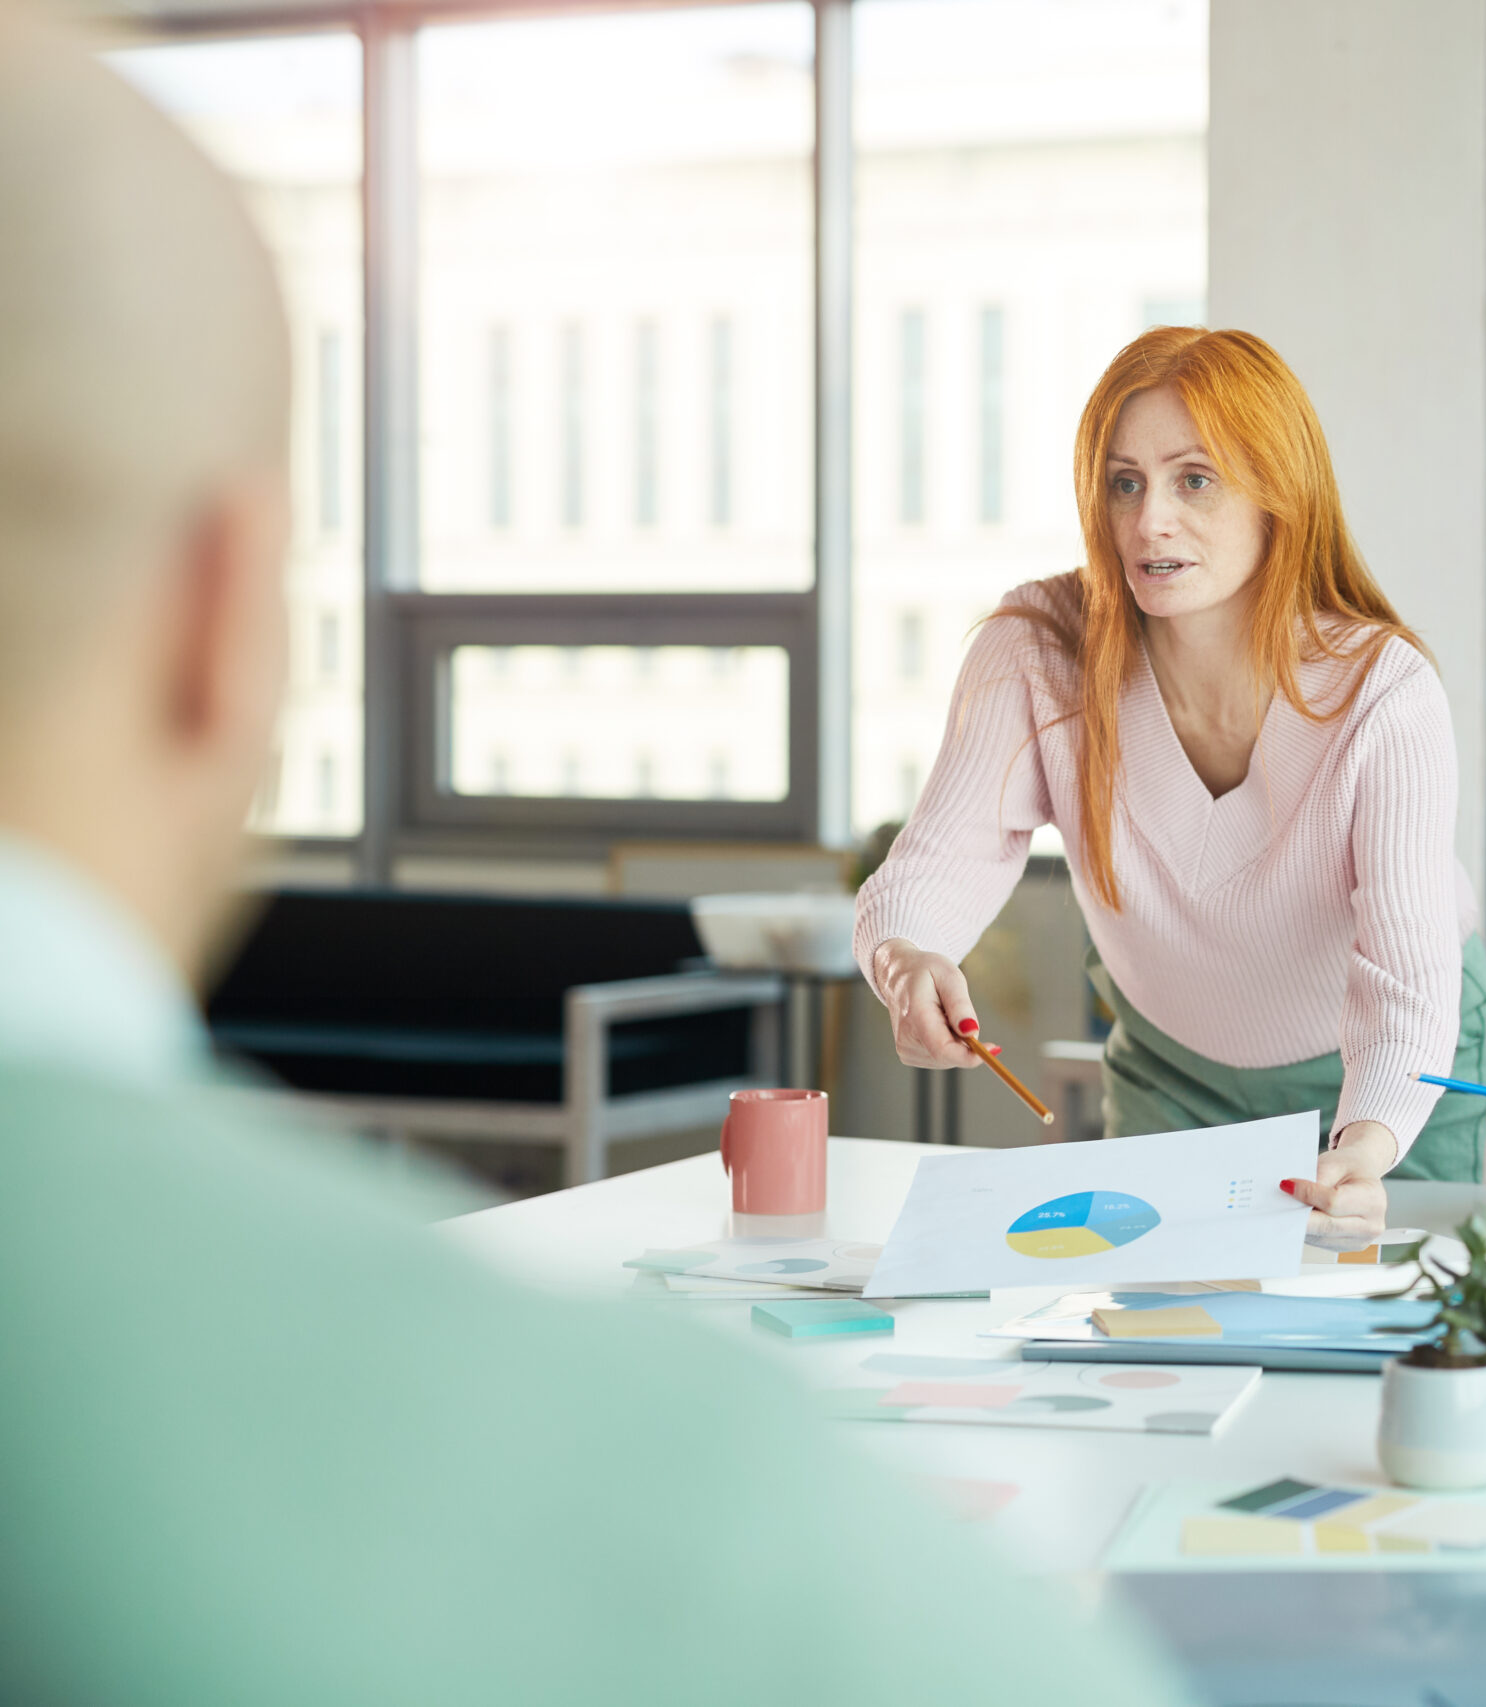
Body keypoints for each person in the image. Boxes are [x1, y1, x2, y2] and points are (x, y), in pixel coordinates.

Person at [0, 17, 1189, 1704]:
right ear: (227, 616)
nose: (1159, 523)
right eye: (1133, 484)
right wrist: (912, 934)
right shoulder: (648, 1491)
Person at [855, 327, 1486, 1241]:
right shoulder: (1036, 650)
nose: (1151, 520)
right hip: (1172, 1070)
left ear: (1279, 491)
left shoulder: (1383, 691)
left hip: (1401, 1070)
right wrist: (906, 957)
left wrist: (1369, 1139)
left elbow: (1407, 977)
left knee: (1394, 1343)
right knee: (1151, 1345)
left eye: (1195, 479)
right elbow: (936, 864)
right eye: (1126, 482)